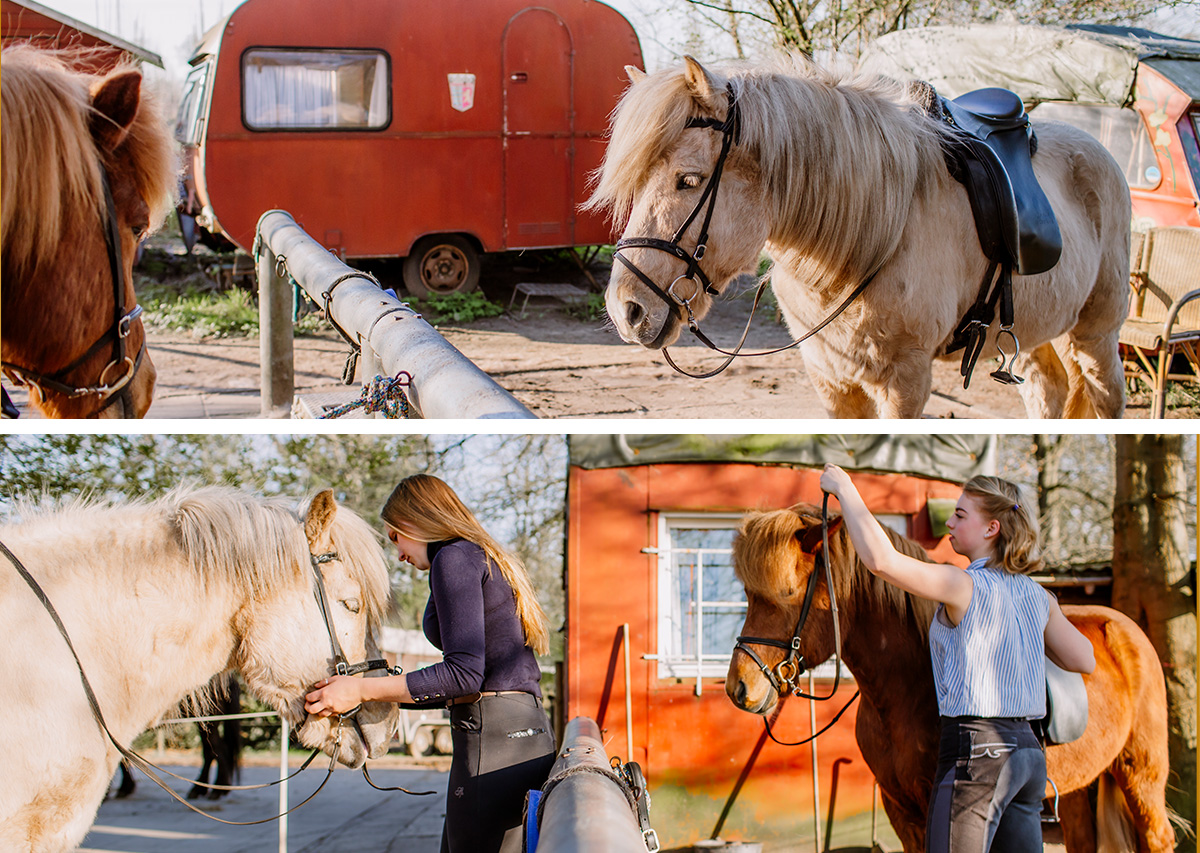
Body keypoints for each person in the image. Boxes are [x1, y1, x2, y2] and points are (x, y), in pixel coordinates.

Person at [818, 464, 1095, 853]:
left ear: (991, 529)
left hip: (977, 753)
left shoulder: (961, 585)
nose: (949, 521)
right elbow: (1085, 660)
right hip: (1029, 756)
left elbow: (881, 561)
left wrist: (845, 489)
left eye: (961, 514)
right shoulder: (1039, 597)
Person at [304, 474, 555, 853]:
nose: (399, 554)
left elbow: (462, 675)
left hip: (492, 742)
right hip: (519, 734)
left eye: (395, 538)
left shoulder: (453, 558)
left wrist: (359, 688)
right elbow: (470, 679)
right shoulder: (479, 556)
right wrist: (378, 696)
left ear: (415, 521)